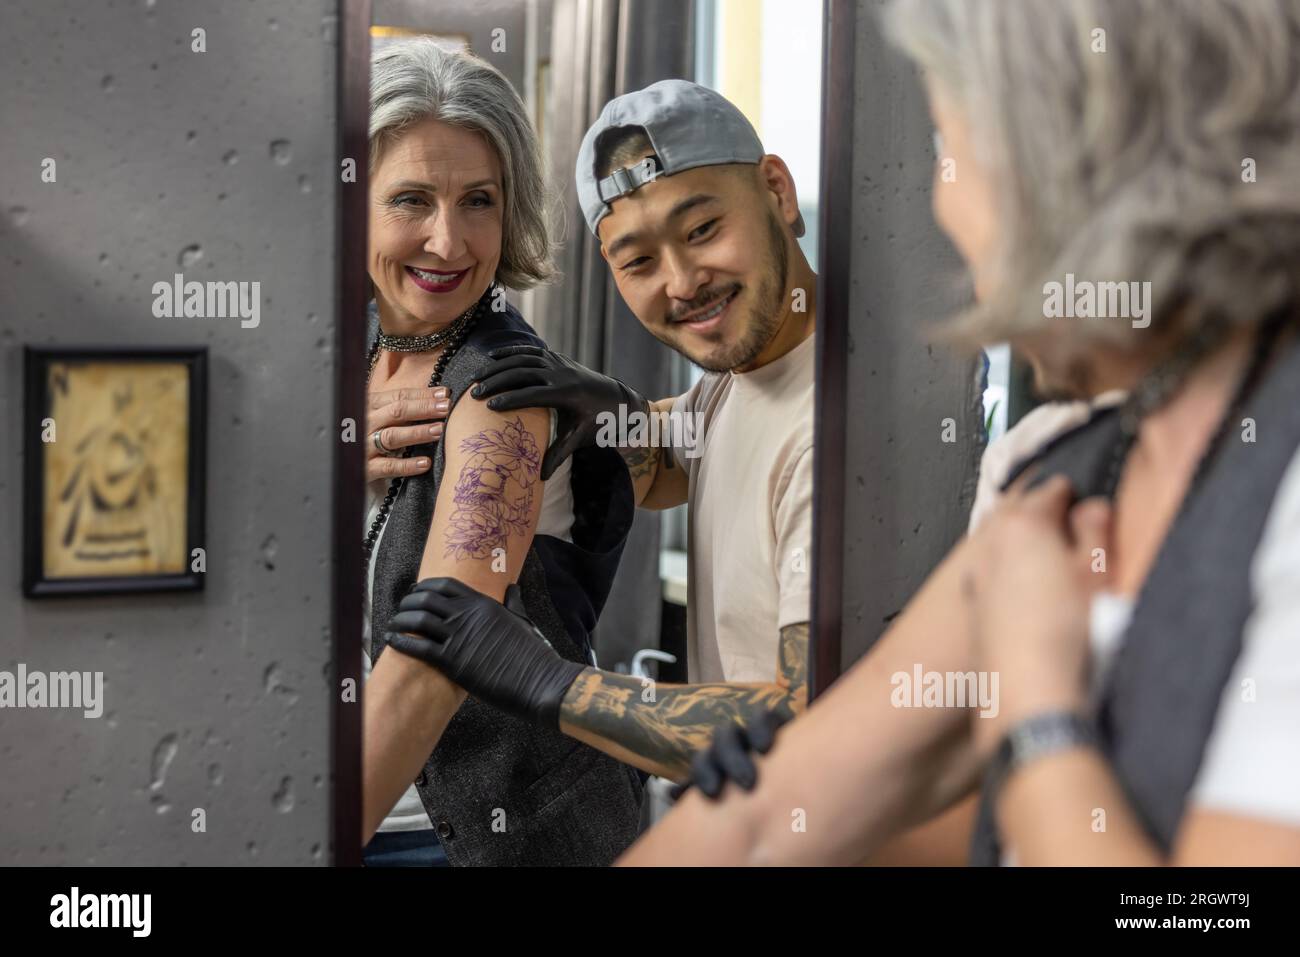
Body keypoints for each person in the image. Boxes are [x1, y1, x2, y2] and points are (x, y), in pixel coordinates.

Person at [618, 0, 1300, 866]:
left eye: (951, 149)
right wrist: (801, 812)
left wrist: (1035, 705)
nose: (944, 203)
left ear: (1064, 157)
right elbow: (775, 820)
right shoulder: (1054, 470)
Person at [384, 80, 816, 789]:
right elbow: (678, 461)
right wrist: (614, 414)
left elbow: (811, 724)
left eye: (703, 229)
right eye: (639, 261)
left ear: (777, 190)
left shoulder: (838, 431)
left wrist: (555, 685)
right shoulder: (741, 376)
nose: (681, 281)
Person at [358, 38, 642, 866]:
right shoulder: (344, 354)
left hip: (453, 837)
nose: (448, 242)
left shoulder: (500, 394)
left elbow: (436, 660)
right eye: (410, 199)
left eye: (478, 201)